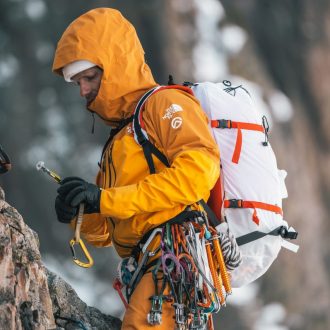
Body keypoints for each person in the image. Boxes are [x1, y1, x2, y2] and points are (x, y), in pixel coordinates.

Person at [52, 7, 220, 329]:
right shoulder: (121, 137)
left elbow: (199, 173)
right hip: (149, 269)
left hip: (171, 259)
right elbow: (108, 230)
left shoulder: (164, 105)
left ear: (116, 65)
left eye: (90, 77)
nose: (84, 91)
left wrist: (104, 199)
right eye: (78, 84)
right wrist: (81, 212)